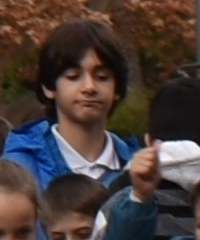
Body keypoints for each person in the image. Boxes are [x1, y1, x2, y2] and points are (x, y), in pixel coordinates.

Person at [9, 21, 134, 191]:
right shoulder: (20, 169)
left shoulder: (137, 168)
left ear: (117, 89)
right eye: (73, 76)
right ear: (49, 87)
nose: (89, 87)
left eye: (102, 77)